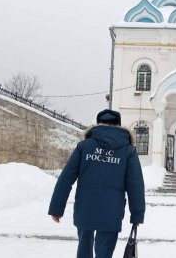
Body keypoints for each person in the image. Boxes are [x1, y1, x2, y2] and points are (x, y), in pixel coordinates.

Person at [48, 109, 145, 258]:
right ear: (118, 125)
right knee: (104, 252)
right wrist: (137, 214)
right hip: (112, 210)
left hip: (85, 208)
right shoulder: (128, 151)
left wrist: (56, 208)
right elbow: (135, 185)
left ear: (98, 124)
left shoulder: (84, 146)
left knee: (84, 249)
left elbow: (66, 178)